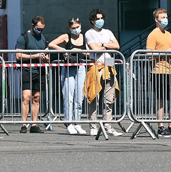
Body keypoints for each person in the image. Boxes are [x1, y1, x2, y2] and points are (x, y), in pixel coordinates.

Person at [83, 8, 123, 137]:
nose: (100, 21)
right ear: (92, 21)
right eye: (97, 19)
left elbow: (117, 46)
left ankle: (108, 125)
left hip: (109, 66)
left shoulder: (108, 32)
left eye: (102, 18)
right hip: (96, 66)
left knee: (108, 98)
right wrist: (106, 45)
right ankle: (93, 126)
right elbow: (94, 49)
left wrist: (102, 45)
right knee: (94, 97)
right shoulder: (89, 33)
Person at [48, 17, 90, 134]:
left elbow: (88, 53)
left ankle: (78, 122)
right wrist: (65, 50)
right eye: (73, 28)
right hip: (68, 68)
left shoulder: (84, 37)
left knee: (79, 97)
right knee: (68, 96)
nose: (76, 30)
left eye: (77, 27)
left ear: (80, 26)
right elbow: (52, 44)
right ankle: (69, 123)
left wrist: (77, 50)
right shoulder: (66, 36)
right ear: (69, 28)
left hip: (80, 67)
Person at [145, 8, 171, 137]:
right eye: (162, 17)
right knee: (161, 99)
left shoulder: (168, 34)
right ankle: (160, 126)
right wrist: (166, 52)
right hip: (159, 70)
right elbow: (149, 54)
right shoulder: (153, 34)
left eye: (166, 17)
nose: (165, 19)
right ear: (156, 19)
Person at [15, 15, 48, 134]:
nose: (40, 31)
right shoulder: (23, 37)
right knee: (26, 97)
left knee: (36, 98)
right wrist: (35, 56)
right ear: (33, 25)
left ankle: (34, 124)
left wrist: (45, 58)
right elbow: (18, 55)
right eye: (38, 29)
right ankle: (23, 124)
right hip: (27, 70)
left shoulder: (43, 38)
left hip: (39, 71)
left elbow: (46, 54)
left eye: (42, 29)